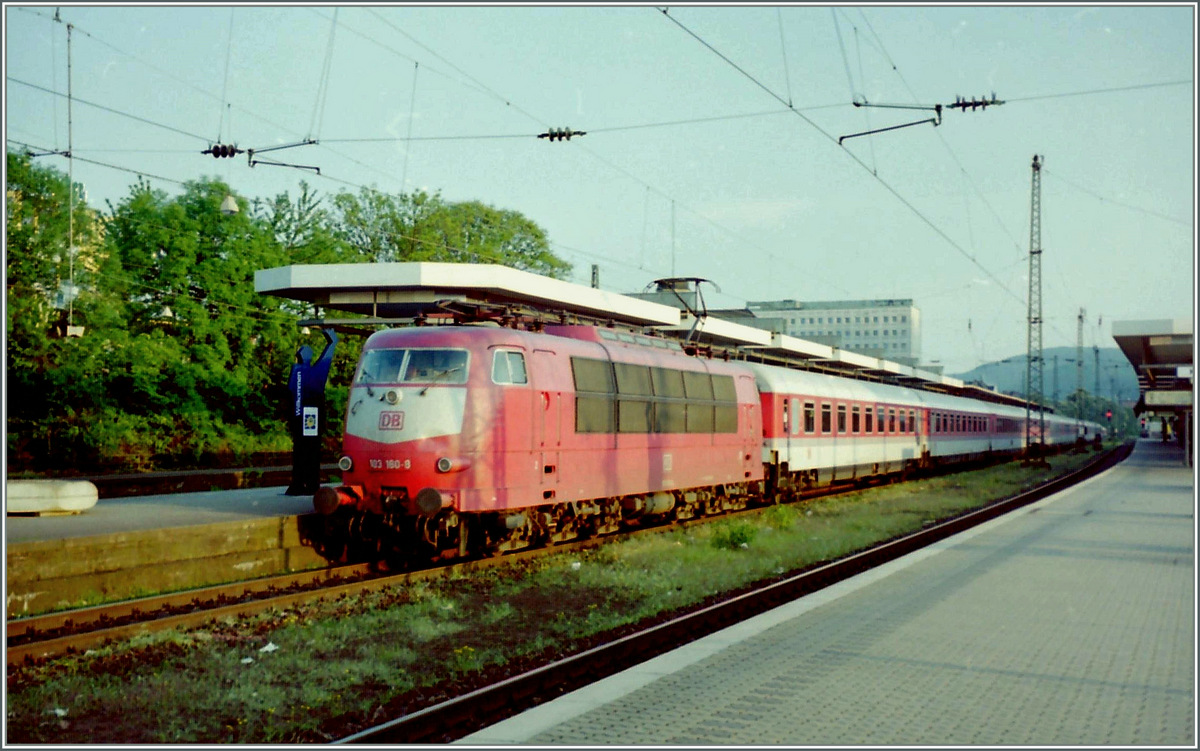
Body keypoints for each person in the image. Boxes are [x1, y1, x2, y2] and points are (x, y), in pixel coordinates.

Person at [286, 329, 337, 495]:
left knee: (300, 452)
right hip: (312, 420)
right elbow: (327, 357)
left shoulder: (297, 372)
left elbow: (292, 393)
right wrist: (331, 340)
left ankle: (299, 484)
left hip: (301, 418)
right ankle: (311, 484)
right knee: (312, 453)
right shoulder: (317, 372)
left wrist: (294, 417)